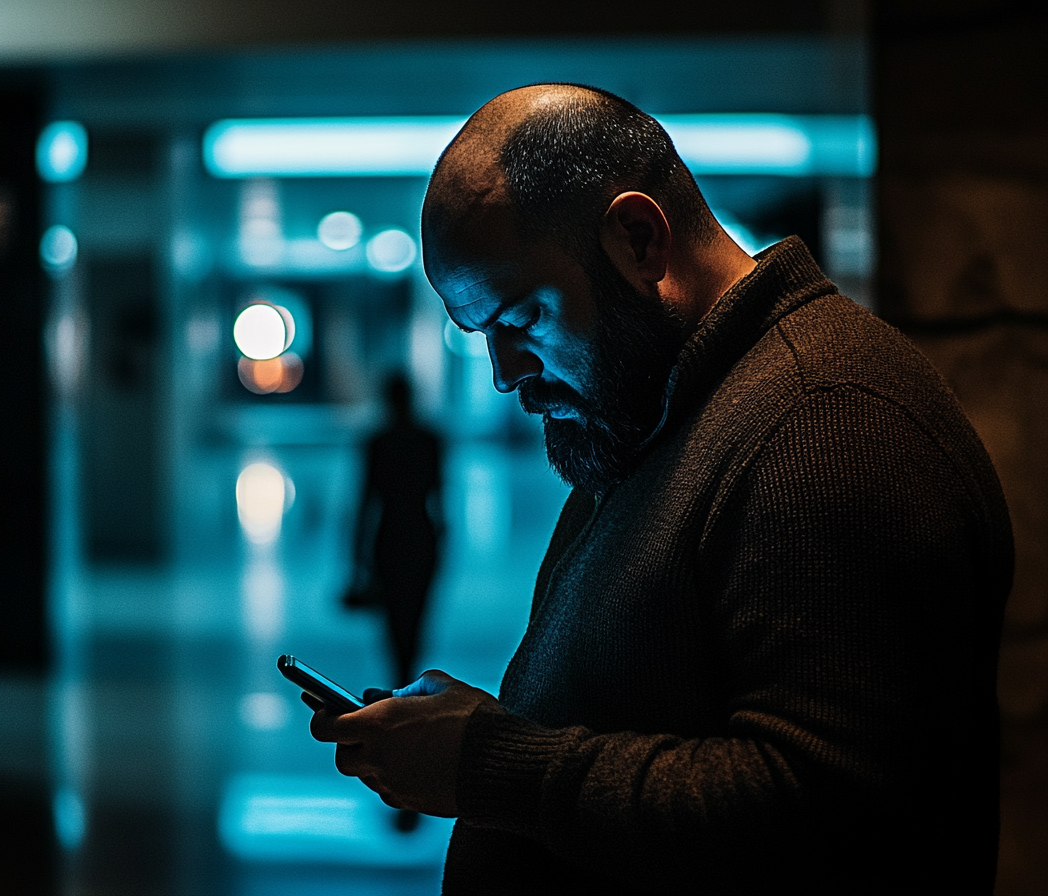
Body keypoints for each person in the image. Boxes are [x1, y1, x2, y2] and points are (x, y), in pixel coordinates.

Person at [307, 83, 1014, 894]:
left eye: (524, 319)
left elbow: (832, 816)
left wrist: (492, 763)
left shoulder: (829, 423)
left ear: (639, 239)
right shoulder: (651, 412)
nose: (506, 376)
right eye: (481, 337)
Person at [350, 373, 444, 690]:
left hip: (389, 537)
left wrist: (355, 559)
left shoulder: (378, 443)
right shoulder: (430, 440)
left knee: (392, 620)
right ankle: (409, 676)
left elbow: (364, 502)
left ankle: (398, 679)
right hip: (420, 534)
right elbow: (441, 501)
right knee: (417, 617)